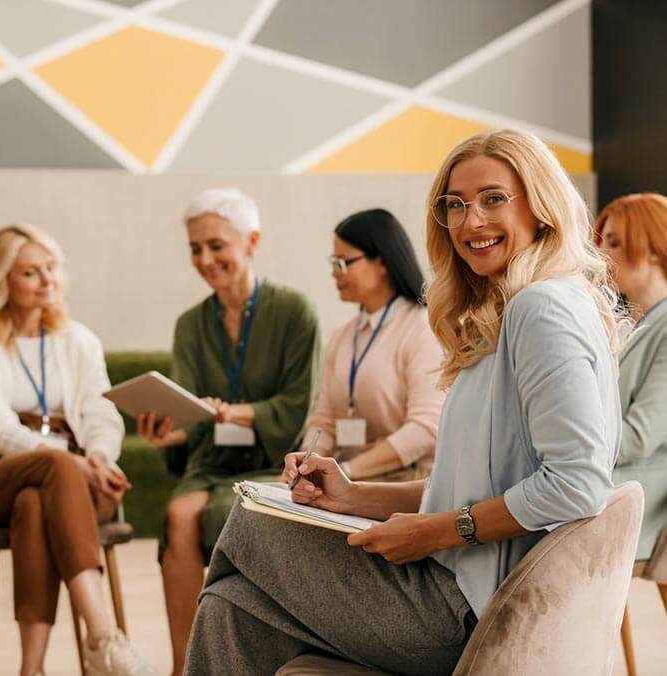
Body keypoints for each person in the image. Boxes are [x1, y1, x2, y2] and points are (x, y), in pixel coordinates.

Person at [184, 129, 624, 676]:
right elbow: (479, 484)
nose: (470, 222)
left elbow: (576, 484)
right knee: (231, 607)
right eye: (455, 205)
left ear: (541, 206)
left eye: (493, 199)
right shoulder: (519, 309)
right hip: (459, 588)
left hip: (467, 610)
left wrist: (432, 532)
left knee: (250, 522)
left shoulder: (541, 310)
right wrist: (350, 495)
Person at [0, 224, 154, 676]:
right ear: (1, 279)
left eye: (51, 269)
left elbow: (101, 414)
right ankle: (102, 635)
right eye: (30, 273)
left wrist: (98, 457)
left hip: (72, 481)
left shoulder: (78, 339)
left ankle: (31, 668)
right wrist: (68, 461)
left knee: (34, 503)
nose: (47, 281)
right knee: (49, 468)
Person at [137, 188, 320, 675]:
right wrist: (168, 435)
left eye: (216, 245)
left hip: (272, 463)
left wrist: (232, 413)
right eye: (195, 248)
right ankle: (185, 666)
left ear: (251, 241)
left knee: (225, 512)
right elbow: (192, 422)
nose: (204, 259)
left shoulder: (296, 312)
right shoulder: (189, 326)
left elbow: (296, 405)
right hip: (211, 464)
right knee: (179, 515)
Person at [303, 208, 443, 481]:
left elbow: (426, 428)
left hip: (407, 481)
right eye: (333, 263)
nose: (334, 273)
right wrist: (306, 464)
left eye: (343, 263)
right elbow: (325, 422)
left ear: (382, 262)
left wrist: (348, 471)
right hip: (348, 479)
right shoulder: (343, 336)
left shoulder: (422, 328)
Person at [595, 192, 667, 560]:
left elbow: (640, 436)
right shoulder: (628, 325)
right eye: (603, 242)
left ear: (655, 249)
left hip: (646, 493)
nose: (602, 255)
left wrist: (570, 448)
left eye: (616, 243)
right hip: (620, 478)